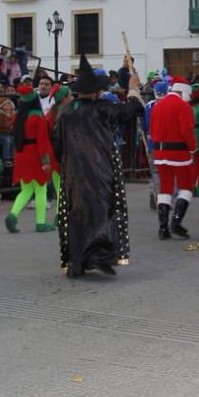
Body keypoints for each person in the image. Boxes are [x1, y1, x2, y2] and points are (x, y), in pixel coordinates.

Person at [52, 55, 142, 277]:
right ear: (95, 91)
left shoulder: (65, 112)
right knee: (102, 209)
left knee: (77, 212)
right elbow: (131, 110)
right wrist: (133, 89)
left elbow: (57, 144)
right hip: (99, 168)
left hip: (74, 171)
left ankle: (78, 261)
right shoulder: (102, 108)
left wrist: (68, 162)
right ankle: (98, 254)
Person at [149, 76, 197, 239]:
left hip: (160, 153)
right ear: (183, 91)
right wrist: (193, 148)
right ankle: (176, 222)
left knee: (165, 188)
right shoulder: (183, 106)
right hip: (180, 154)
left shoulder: (158, 105)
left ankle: (163, 227)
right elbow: (187, 130)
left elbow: (152, 129)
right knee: (186, 187)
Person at [5, 84, 55, 233]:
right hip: (35, 154)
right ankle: (40, 223)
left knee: (25, 190)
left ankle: (13, 215)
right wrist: (45, 160)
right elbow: (43, 140)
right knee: (41, 189)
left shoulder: (18, 116)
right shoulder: (37, 117)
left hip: (21, 154)